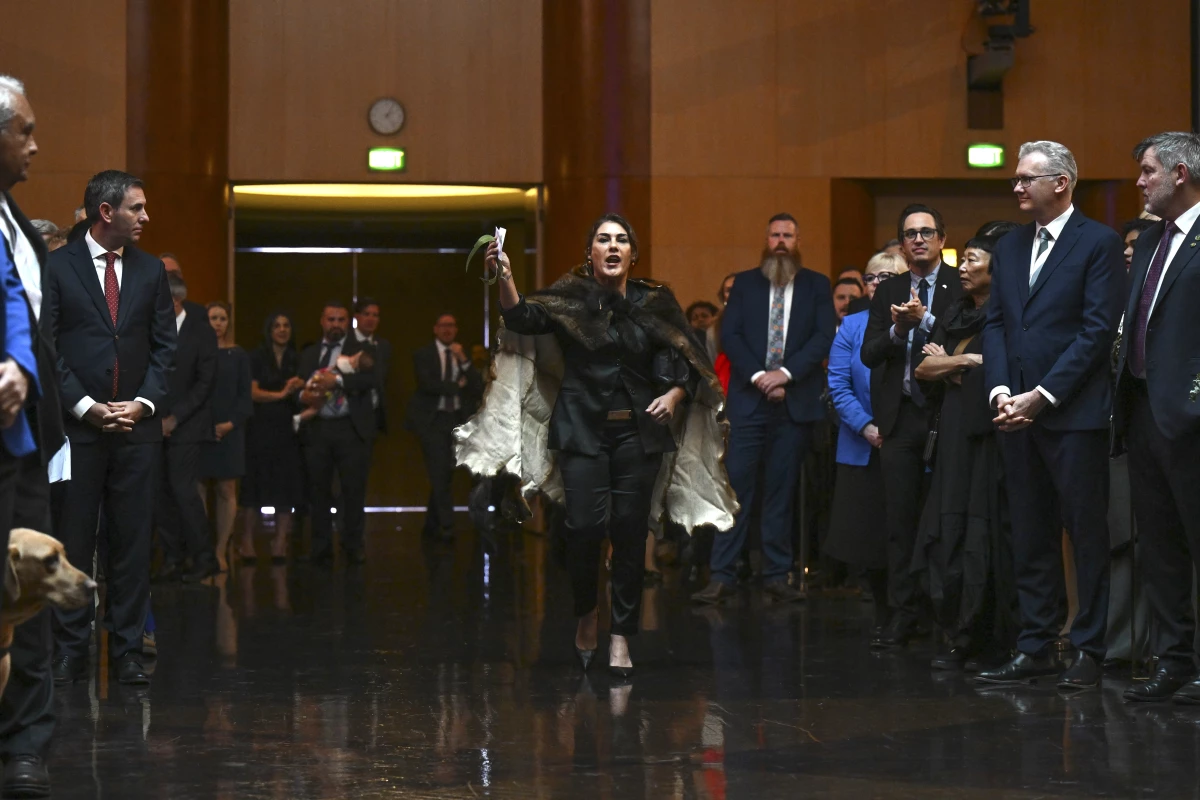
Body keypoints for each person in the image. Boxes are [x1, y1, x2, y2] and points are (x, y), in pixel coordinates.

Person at [461, 213, 734, 676]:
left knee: (629, 533)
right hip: (581, 432)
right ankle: (587, 611)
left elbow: (687, 358)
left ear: (633, 254)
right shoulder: (571, 297)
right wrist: (505, 277)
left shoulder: (655, 300)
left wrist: (673, 394)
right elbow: (522, 316)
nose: (612, 247)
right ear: (590, 254)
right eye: (603, 240)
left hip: (639, 434)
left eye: (621, 241)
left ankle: (621, 637)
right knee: (585, 530)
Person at [976, 141, 1124, 691]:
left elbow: (1096, 331)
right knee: (1030, 533)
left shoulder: (1099, 242)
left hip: (1073, 415)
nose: (1016, 187)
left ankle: (1089, 648)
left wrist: (1042, 395)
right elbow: (996, 325)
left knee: (1085, 535)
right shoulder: (1011, 247)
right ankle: (1035, 645)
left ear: (1061, 183)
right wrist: (998, 391)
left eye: (1025, 178)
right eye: (1015, 179)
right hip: (1013, 412)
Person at [46, 169, 176, 688]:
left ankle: (126, 651)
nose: (146, 217)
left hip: (137, 432)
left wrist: (142, 404)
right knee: (74, 544)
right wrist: (84, 405)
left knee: (131, 544)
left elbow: (166, 346)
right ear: (107, 212)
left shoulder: (150, 271)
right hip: (79, 432)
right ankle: (71, 651)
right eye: (137, 208)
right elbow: (47, 346)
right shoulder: (57, 267)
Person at [692, 212, 835, 606]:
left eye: (788, 235)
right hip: (749, 401)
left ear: (798, 239)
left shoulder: (816, 286)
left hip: (795, 402)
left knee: (781, 491)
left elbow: (823, 337)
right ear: (766, 239)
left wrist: (785, 374)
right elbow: (731, 337)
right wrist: (760, 376)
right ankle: (722, 575)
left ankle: (776, 574)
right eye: (775, 235)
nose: (781, 242)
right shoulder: (745, 285)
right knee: (735, 489)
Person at [0, 73, 69, 799]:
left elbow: (26, 314)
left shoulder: (14, 221)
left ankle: (26, 742)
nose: (36, 144)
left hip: (23, 441)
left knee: (29, 591)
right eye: (24, 130)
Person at [1115, 132, 1200, 703]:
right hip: (1142, 412)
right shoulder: (1148, 240)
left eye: (1148, 171)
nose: (1140, 181)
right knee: (1161, 547)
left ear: (1181, 172)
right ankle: (1175, 662)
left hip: (1192, 418)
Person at [860, 203, 964, 649]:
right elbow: (869, 354)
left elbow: (966, 334)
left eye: (926, 232)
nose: (918, 239)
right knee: (899, 521)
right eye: (910, 234)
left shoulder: (961, 285)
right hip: (900, 417)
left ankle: (948, 615)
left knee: (947, 519)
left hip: (947, 415)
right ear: (901, 245)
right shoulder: (890, 290)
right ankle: (903, 614)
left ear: (942, 239)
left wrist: (927, 320)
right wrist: (901, 331)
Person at [911, 236, 1016, 670]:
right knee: (946, 533)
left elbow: (998, 372)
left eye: (972, 259)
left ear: (997, 268)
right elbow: (923, 369)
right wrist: (967, 362)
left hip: (989, 437)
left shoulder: (1009, 315)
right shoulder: (955, 313)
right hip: (952, 435)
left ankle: (989, 638)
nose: (963, 267)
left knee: (984, 535)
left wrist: (953, 365)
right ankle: (957, 633)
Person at [824, 253, 897, 639]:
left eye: (888, 275)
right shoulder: (851, 325)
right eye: (872, 276)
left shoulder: (920, 323)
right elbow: (838, 385)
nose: (877, 283)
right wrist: (867, 426)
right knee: (869, 537)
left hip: (907, 442)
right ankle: (884, 614)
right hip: (863, 442)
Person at [296, 301, 377, 565]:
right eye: (331, 319)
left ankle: (353, 546)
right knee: (317, 491)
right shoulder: (309, 353)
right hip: (317, 429)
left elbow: (372, 379)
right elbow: (298, 385)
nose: (335, 324)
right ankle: (320, 547)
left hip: (350, 430)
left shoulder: (361, 351)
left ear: (348, 323)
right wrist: (302, 394)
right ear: (322, 321)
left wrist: (338, 381)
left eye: (341, 320)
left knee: (353, 491)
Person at [155, 272, 219, 582]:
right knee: (161, 493)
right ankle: (172, 559)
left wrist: (175, 418)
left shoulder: (201, 332)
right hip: (153, 423)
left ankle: (204, 558)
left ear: (176, 300)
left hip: (188, 425)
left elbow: (204, 384)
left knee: (183, 491)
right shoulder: (150, 328)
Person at [404, 313, 482, 542]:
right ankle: (447, 529)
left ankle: (431, 525)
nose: (447, 329)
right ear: (435, 329)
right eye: (443, 325)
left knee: (444, 476)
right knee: (439, 472)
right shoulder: (424, 354)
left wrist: (464, 361)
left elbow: (477, 387)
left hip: (458, 421)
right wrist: (457, 386)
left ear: (456, 329)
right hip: (433, 421)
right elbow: (428, 385)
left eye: (451, 325)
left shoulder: (461, 354)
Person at [239, 313, 305, 562]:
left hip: (288, 430)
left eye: (287, 325)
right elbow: (253, 393)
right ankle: (246, 542)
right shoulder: (256, 356)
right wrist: (282, 393)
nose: (282, 329)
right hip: (259, 427)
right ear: (269, 330)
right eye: (277, 325)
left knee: (285, 487)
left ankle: (280, 542)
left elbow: (303, 392)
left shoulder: (296, 359)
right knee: (253, 486)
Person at [200, 301, 252, 572]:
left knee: (226, 489)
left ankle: (221, 550)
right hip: (199, 429)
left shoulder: (239, 354)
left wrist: (229, 424)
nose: (218, 323)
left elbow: (246, 397)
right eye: (213, 318)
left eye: (222, 318)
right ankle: (202, 551)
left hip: (230, 430)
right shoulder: (197, 352)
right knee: (197, 489)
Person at [354, 297, 392, 434]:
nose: (371, 319)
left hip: (373, 414)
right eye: (366, 314)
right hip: (349, 415)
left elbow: (383, 378)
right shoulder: (346, 342)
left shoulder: (383, 346)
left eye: (375, 315)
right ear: (357, 316)